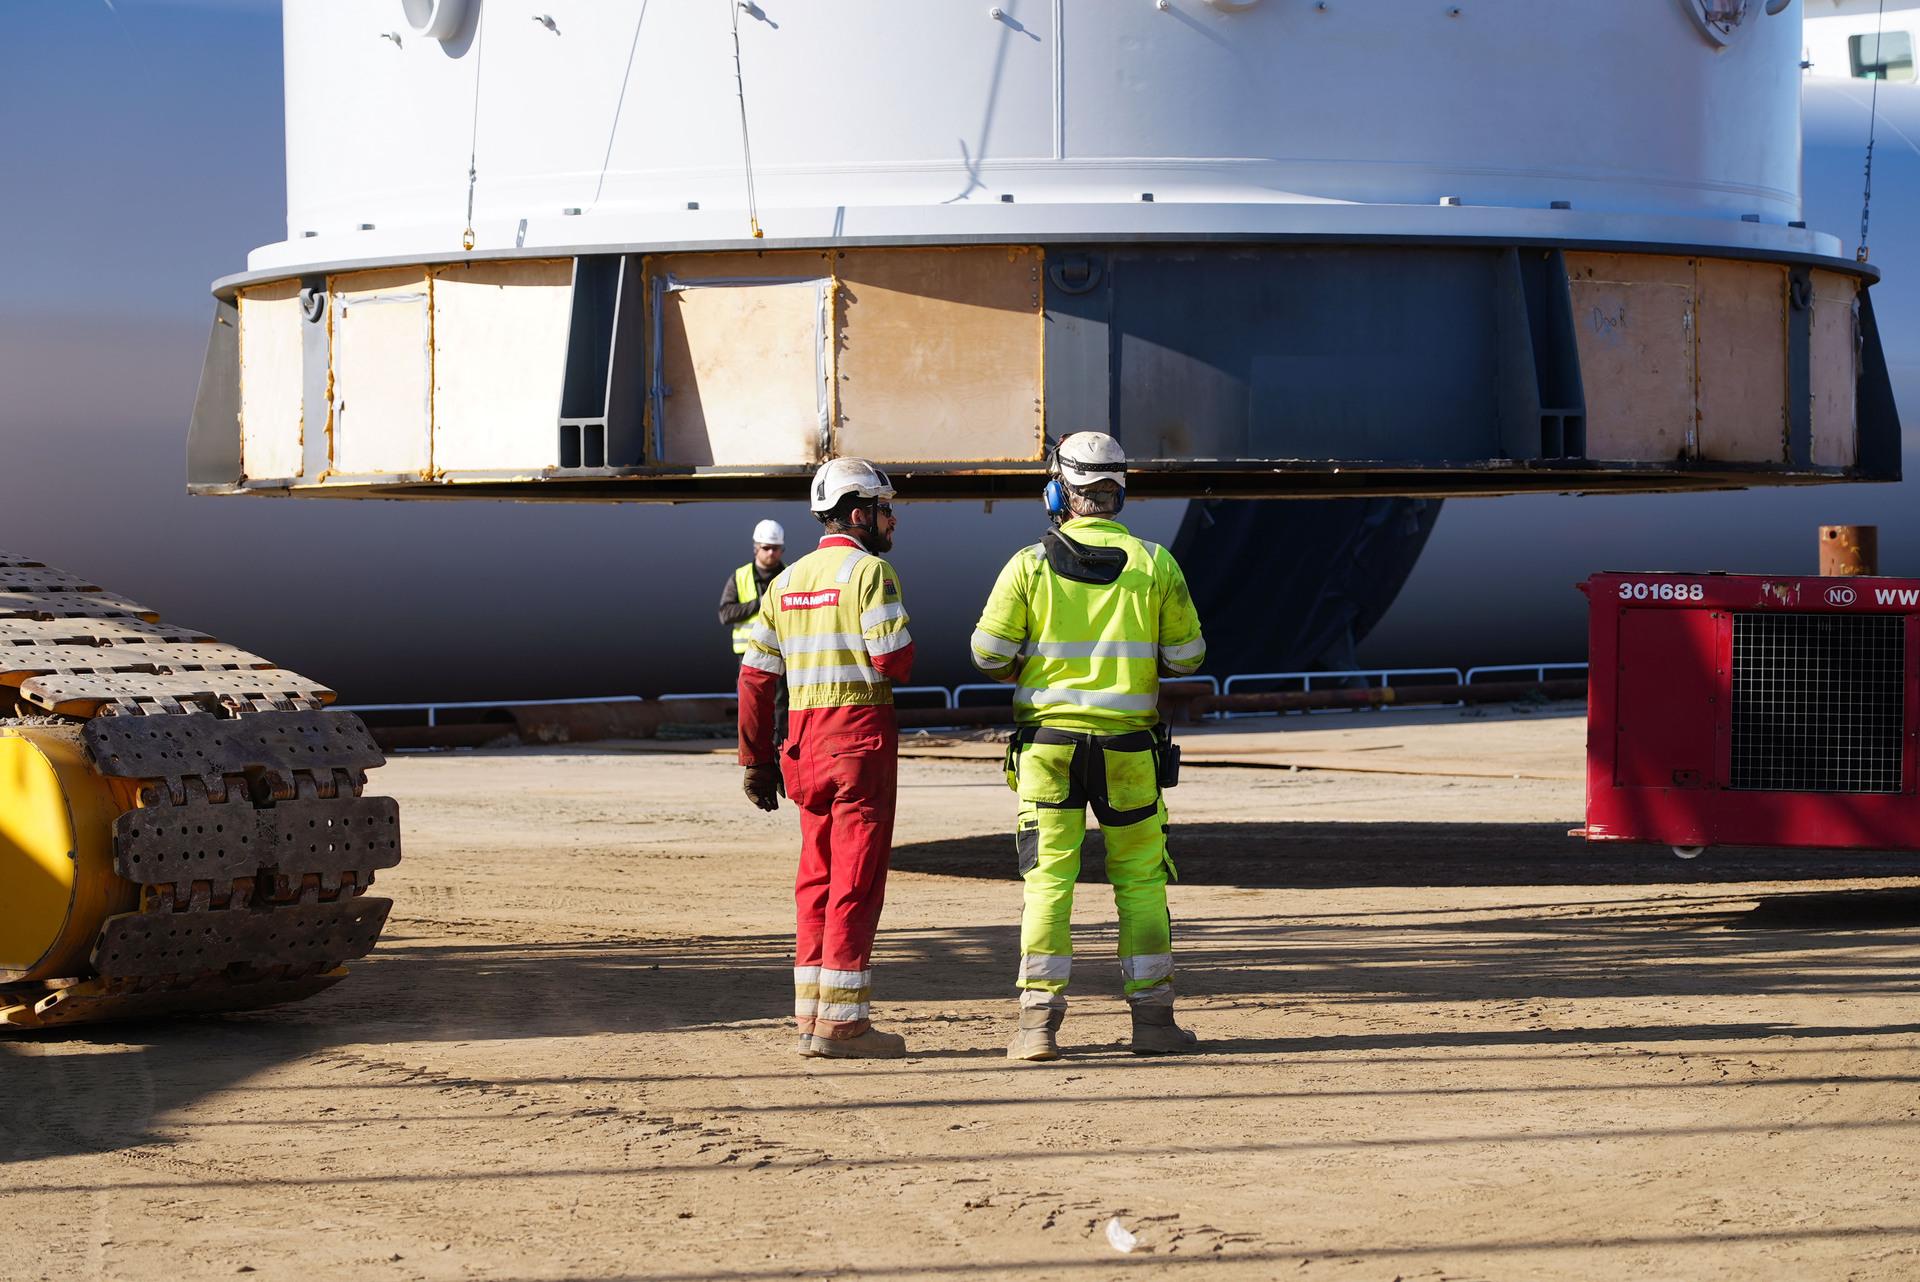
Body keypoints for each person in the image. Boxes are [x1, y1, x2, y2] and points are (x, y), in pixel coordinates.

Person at [969, 432, 1207, 1061]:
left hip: (1048, 750)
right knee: (1141, 882)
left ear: (1058, 490)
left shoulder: (1028, 564)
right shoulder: (1157, 564)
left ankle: (1037, 1027)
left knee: (1049, 883)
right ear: (1119, 492)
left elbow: (988, 653)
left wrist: (1032, 661)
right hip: (1130, 753)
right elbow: (1187, 657)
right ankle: (1153, 1022)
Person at [737, 458, 914, 1059]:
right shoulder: (870, 573)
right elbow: (894, 660)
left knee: (815, 880)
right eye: (887, 510)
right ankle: (844, 1027)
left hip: (802, 746)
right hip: (858, 741)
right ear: (859, 514)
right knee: (855, 884)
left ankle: (810, 1017)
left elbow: (756, 678)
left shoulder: (783, 584)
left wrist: (755, 761)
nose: (894, 521)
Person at [718, 519, 787, 653]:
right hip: (749, 654)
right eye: (766, 547)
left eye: (775, 548)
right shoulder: (739, 577)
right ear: (756, 548)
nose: (771, 552)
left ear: (782, 549)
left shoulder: (791, 575)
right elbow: (725, 614)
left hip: (783, 652)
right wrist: (760, 602)